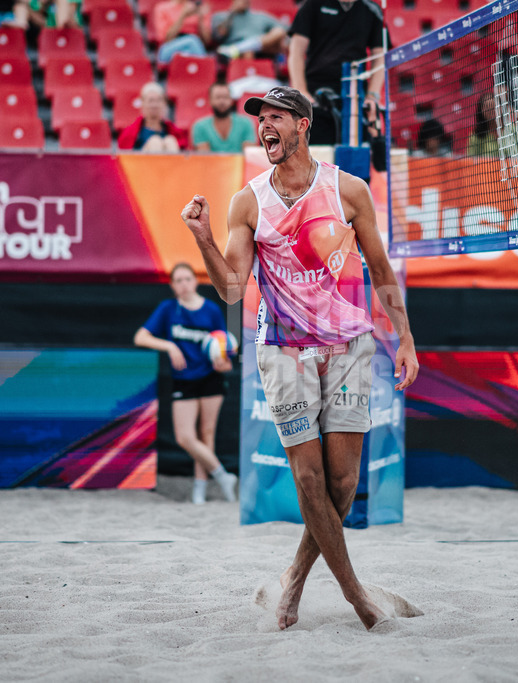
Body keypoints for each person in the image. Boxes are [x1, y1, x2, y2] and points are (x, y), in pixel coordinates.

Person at [179, 86, 418, 630]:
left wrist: (405, 338)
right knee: (308, 481)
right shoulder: (248, 200)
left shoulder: (349, 189)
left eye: (277, 117)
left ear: (303, 125)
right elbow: (234, 290)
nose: (265, 125)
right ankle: (357, 594)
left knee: (342, 484)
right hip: (283, 347)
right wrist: (203, 239)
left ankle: (294, 576)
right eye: (260, 119)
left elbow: (382, 272)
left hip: (349, 344)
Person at [133, 263, 239, 504]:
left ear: (195, 281)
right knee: (185, 437)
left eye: (186, 279)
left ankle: (199, 491)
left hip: (210, 377)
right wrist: (169, 346)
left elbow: (223, 344)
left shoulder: (211, 310)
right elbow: (140, 337)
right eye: (177, 280)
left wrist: (224, 360)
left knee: (207, 433)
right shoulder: (168, 309)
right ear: (172, 286)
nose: (183, 284)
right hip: (184, 380)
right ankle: (223, 476)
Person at [287, 0, 384, 145]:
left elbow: (380, 57)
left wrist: (372, 96)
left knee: (357, 159)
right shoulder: (313, 5)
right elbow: (296, 50)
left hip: (355, 97)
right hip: (316, 96)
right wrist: (301, 91)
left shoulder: (372, 9)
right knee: (317, 156)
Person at [117, 82, 190, 152]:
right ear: (143, 103)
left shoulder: (172, 130)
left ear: (164, 103)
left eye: (158, 100)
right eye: (151, 100)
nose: (154, 105)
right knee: (155, 142)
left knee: (170, 141)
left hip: (169, 162)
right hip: (141, 163)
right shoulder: (132, 132)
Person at [190, 81, 257, 152]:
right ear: (210, 100)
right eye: (218, 97)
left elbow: (249, 155)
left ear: (231, 100)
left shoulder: (246, 123)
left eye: (225, 97)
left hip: (239, 163)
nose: (222, 101)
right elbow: (205, 158)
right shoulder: (200, 126)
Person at [212, 0, 287, 60]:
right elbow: (219, 35)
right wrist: (232, 12)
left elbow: (285, 28)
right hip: (235, 51)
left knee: (279, 32)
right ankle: (243, 48)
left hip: (261, 48)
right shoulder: (220, 16)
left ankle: (241, 47)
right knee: (248, 52)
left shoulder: (260, 16)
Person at [151, 0, 212, 66]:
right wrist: (183, 15)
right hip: (169, 47)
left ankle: (203, 70)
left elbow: (207, 41)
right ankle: (205, 67)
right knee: (192, 40)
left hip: (192, 48)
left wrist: (201, 18)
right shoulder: (162, 8)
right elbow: (165, 39)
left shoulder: (196, 8)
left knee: (187, 53)